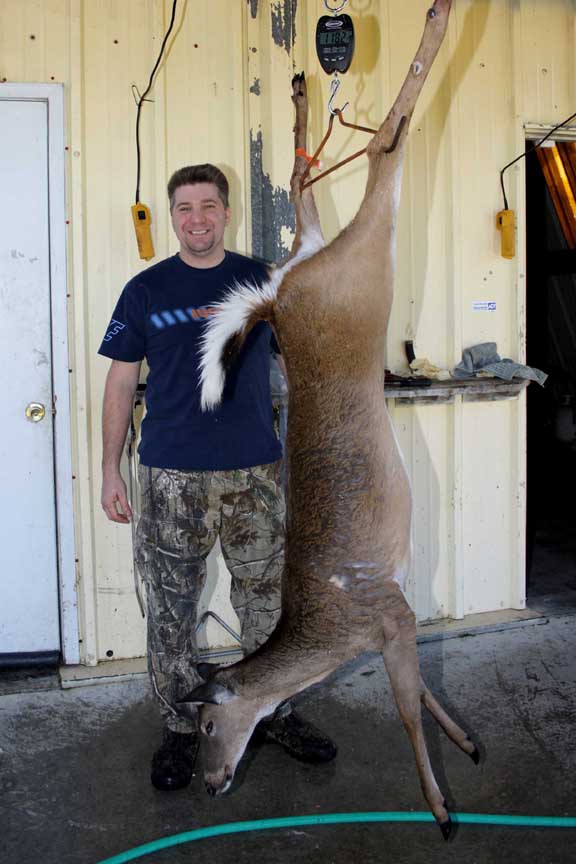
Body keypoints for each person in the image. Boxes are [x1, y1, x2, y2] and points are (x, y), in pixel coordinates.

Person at [99, 164, 337, 792]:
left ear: (225, 212)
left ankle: (271, 711)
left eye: (208, 206)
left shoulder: (261, 280)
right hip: (170, 475)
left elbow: (307, 354)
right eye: (184, 208)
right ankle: (182, 728)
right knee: (172, 609)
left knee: (264, 602)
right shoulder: (144, 290)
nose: (196, 219)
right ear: (171, 214)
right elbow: (122, 381)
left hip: (256, 471)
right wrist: (108, 469)